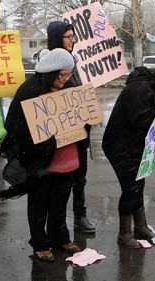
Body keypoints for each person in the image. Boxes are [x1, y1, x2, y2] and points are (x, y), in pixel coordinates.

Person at [1, 48, 84, 263]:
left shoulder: (71, 86)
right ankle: (40, 242)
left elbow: (80, 115)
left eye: (68, 75)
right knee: (39, 200)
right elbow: (15, 127)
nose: (66, 80)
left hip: (66, 154)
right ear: (49, 73)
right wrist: (45, 142)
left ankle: (61, 237)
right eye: (62, 75)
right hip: (38, 158)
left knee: (61, 198)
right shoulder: (28, 90)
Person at [102, 64, 155, 248]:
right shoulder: (140, 88)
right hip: (120, 146)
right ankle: (124, 234)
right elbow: (138, 120)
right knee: (130, 188)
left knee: (138, 184)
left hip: (132, 145)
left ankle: (140, 226)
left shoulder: (148, 88)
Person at [47, 21, 95, 233]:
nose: (73, 40)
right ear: (57, 38)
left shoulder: (75, 63)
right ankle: (56, 223)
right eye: (68, 36)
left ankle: (80, 215)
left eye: (74, 36)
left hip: (79, 132)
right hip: (58, 135)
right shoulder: (48, 64)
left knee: (79, 177)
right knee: (57, 181)